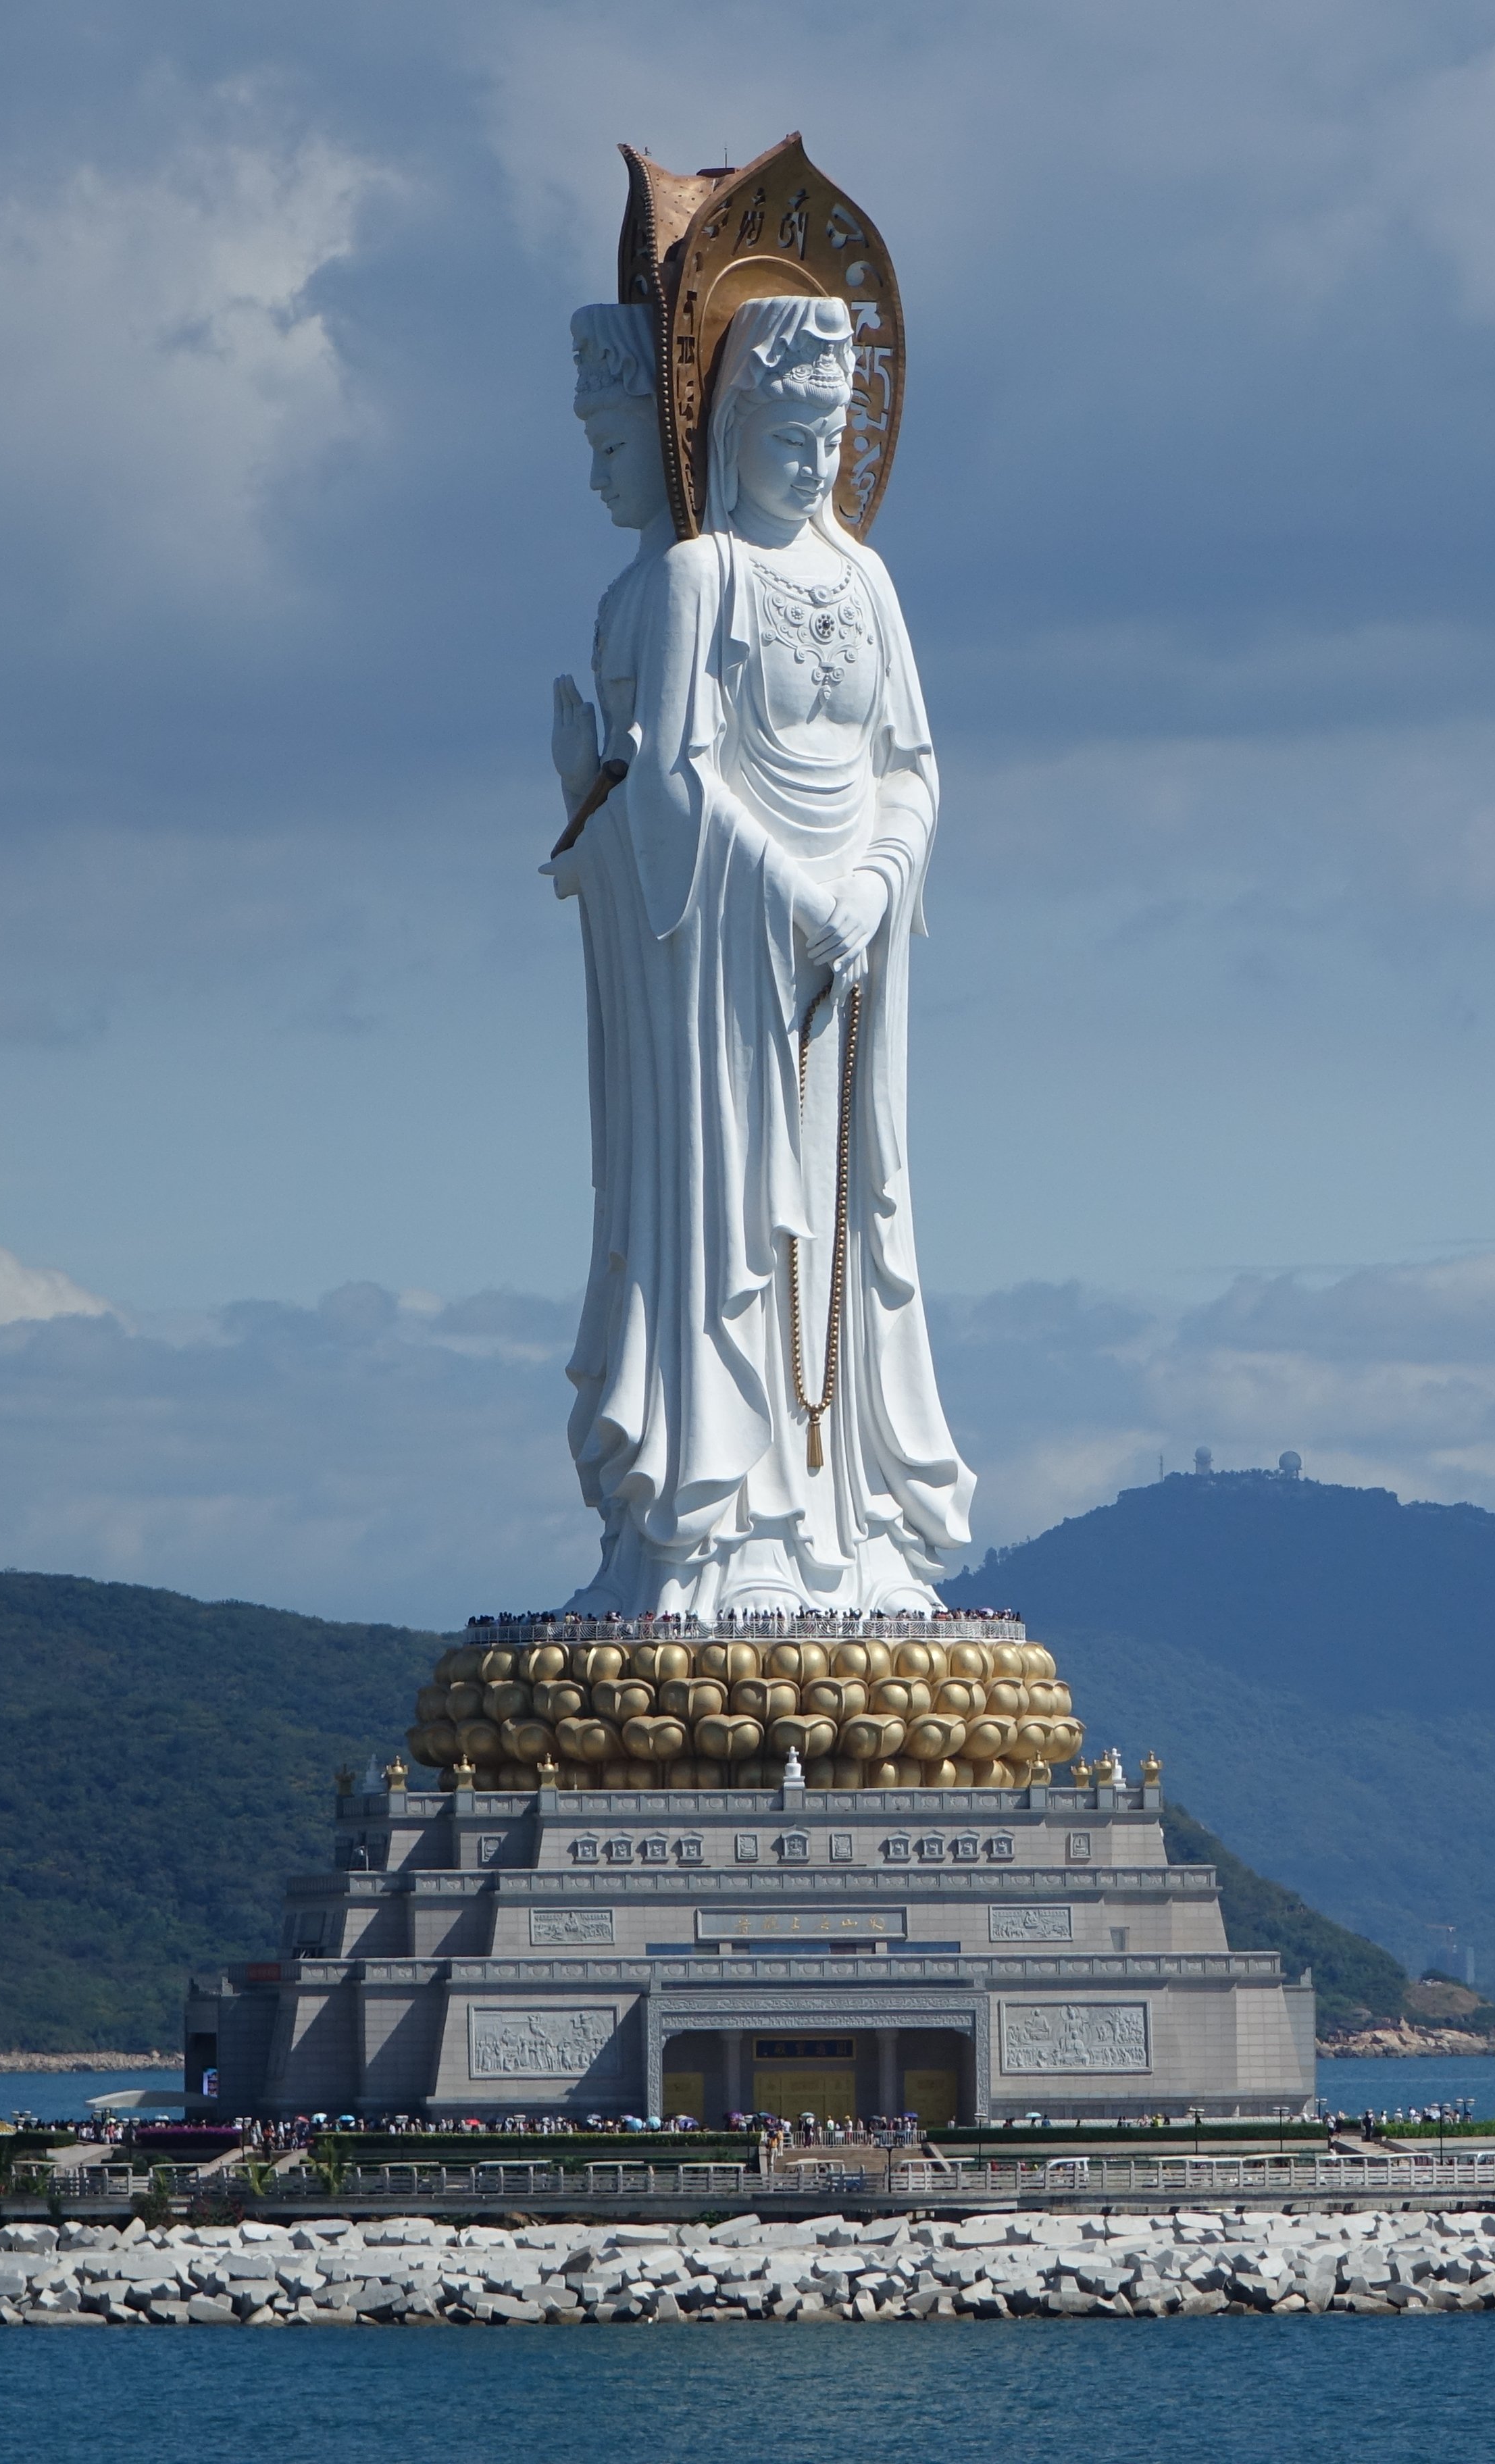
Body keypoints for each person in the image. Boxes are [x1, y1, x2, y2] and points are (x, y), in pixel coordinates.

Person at [548, 293, 973, 1616]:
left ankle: (849, 1523)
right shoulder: (698, 581)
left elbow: (912, 767)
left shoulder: (870, 582)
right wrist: (793, 891)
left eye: (835, 434)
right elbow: (675, 776)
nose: (818, 459)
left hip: (854, 955)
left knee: (854, 1220)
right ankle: (723, 1521)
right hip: (729, 956)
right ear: (734, 427)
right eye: (790, 432)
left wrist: (877, 882)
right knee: (729, 1217)